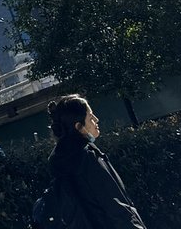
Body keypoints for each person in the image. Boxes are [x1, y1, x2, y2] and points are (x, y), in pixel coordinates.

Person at [48, 94, 147, 229]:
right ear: (78, 126)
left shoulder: (58, 161)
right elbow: (115, 205)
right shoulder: (89, 156)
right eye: (90, 117)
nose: (96, 119)